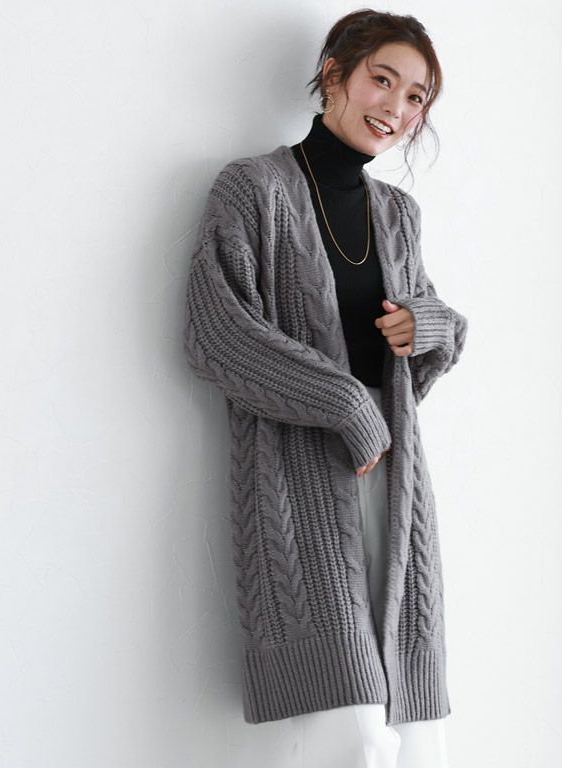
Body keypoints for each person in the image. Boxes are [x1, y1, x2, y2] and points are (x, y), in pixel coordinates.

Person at [183, 9, 468, 767]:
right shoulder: (254, 189)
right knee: (353, 740)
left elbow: (431, 337)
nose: (396, 108)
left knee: (418, 739)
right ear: (334, 74)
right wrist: (344, 406)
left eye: (416, 97)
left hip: (398, 487)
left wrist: (429, 327)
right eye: (383, 80)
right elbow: (217, 332)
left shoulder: (398, 215)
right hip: (299, 484)